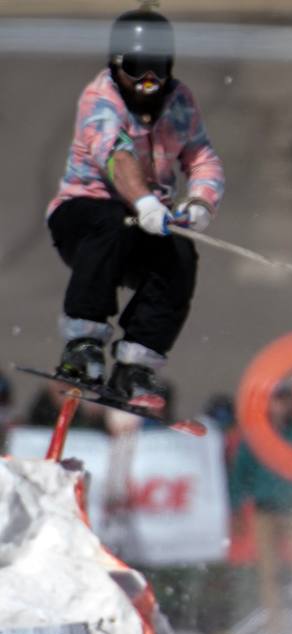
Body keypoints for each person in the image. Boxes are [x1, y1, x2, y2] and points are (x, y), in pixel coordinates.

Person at [47, 7, 224, 408]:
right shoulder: (100, 98)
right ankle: (83, 342)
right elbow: (115, 154)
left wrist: (200, 201)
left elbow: (201, 156)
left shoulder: (179, 102)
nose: (147, 84)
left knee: (180, 254)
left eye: (156, 71)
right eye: (136, 70)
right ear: (116, 64)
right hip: (85, 215)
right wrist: (144, 200)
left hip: (145, 220)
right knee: (113, 222)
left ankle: (136, 363)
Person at [228, 383, 292, 634]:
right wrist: (236, 511)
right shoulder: (256, 439)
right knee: (270, 574)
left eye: (285, 401)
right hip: (265, 512)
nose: (281, 407)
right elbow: (239, 476)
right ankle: (275, 632)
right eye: (276, 401)